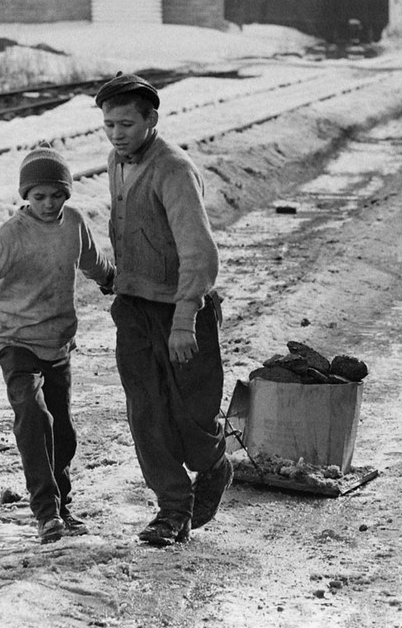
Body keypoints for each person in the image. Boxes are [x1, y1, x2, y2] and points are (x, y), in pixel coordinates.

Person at [0, 147, 115, 544]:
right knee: (35, 420)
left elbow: (93, 260)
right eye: (39, 196)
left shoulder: (73, 223)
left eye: (56, 194)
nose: (49, 203)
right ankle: (46, 513)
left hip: (57, 343)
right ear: (26, 196)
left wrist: (111, 280)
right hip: (15, 341)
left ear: (67, 194)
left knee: (64, 431)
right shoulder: (13, 235)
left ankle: (63, 505)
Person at [96, 71, 232, 547]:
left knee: (191, 416)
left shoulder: (173, 169)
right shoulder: (116, 161)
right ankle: (173, 508)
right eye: (109, 125)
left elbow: (199, 253)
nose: (117, 135)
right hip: (134, 309)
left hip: (181, 311)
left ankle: (214, 463)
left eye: (127, 125)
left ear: (152, 120)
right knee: (146, 414)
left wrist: (183, 321)